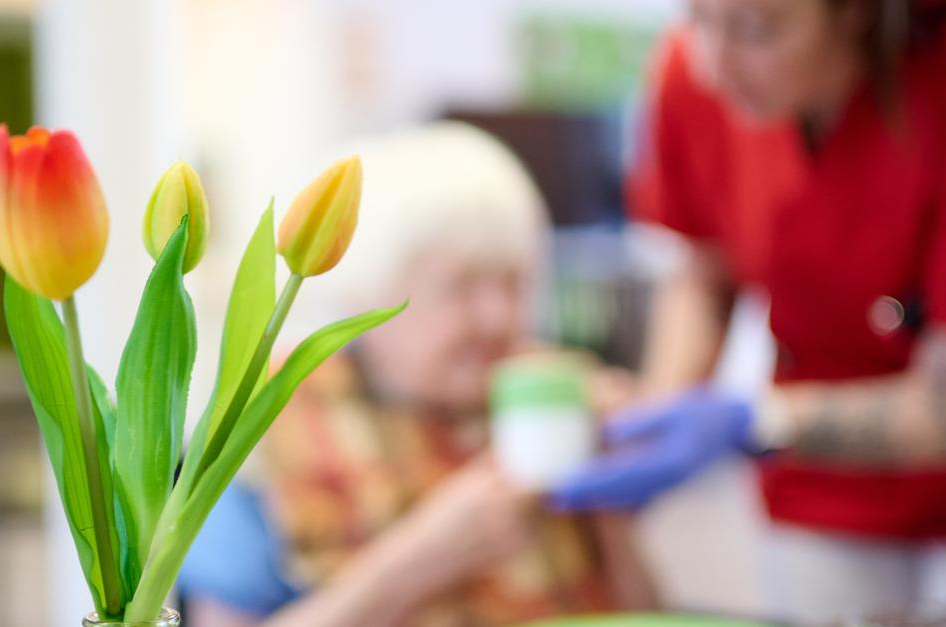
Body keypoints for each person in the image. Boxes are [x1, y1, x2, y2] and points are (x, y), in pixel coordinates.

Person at [552, 0, 946, 622]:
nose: (713, 67)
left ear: (856, 13)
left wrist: (753, 422)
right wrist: (656, 420)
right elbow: (706, 277)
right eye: (697, 18)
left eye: (756, 30)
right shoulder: (692, 73)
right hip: (822, 490)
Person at [179, 122, 656, 627]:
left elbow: (646, 612)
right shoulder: (263, 425)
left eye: (515, 283)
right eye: (461, 286)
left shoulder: (548, 395)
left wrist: (610, 497)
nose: (498, 317)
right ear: (366, 295)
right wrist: (419, 563)